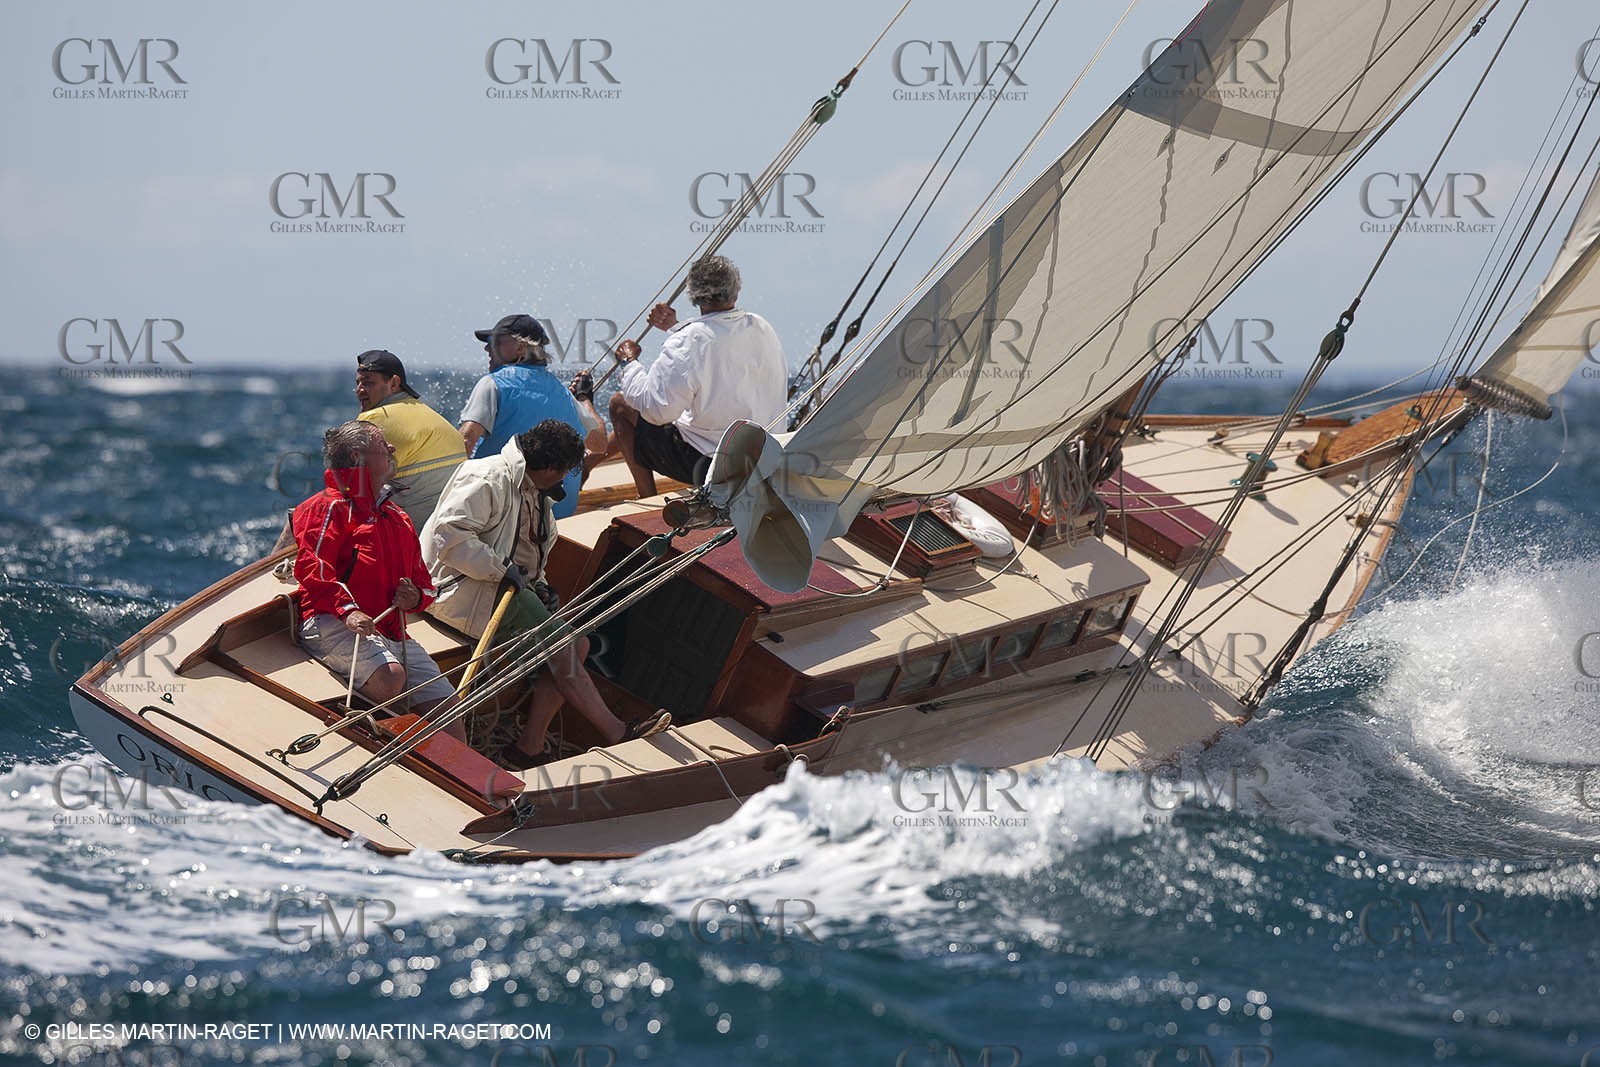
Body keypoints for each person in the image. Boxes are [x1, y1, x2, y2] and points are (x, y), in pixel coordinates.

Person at [421, 419, 670, 768]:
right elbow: (449, 537)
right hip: (461, 589)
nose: (564, 480)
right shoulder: (487, 478)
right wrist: (501, 569)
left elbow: (527, 550)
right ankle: (618, 733)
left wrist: (538, 586)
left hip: (502, 588)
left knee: (578, 644)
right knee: (565, 647)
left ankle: (528, 748)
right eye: (566, 472)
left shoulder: (532, 489)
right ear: (550, 468)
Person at [291, 420, 466, 739]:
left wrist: (415, 598)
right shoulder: (328, 507)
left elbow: (426, 585)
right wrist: (349, 610)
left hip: (390, 632)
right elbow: (312, 568)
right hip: (331, 621)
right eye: (382, 444)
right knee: (390, 678)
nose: (392, 448)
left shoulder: (397, 517)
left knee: (449, 711)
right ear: (358, 457)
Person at [610, 255, 787, 497]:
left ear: (693, 295)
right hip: (766, 463)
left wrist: (628, 363)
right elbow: (717, 346)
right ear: (736, 291)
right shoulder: (761, 326)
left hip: (714, 469)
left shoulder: (687, 341)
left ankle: (646, 498)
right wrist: (675, 327)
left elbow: (656, 411)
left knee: (621, 405)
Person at [457, 313, 600, 518]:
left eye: (495, 341)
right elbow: (599, 444)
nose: (487, 348)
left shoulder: (493, 383)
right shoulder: (563, 392)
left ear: (520, 347)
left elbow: (465, 440)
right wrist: (585, 398)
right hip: (557, 515)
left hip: (504, 513)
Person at [353, 350, 466, 530]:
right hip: (455, 528)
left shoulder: (374, 419)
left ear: (394, 383)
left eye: (368, 383)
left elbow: (357, 488)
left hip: (413, 535)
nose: (359, 390)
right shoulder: (435, 417)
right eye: (357, 383)